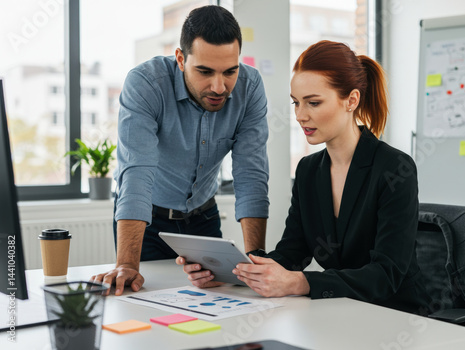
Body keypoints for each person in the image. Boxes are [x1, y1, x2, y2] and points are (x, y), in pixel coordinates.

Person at [179, 40, 431, 315]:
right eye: (296, 103)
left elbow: (386, 274)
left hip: (396, 315)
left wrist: (300, 282)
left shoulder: (394, 167)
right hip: (343, 311)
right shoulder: (309, 170)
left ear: (352, 100)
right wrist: (233, 273)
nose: (300, 115)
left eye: (313, 103)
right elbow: (292, 253)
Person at [92, 5, 269, 296]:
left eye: (230, 72)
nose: (219, 86)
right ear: (180, 59)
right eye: (205, 71)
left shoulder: (250, 88)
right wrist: (125, 264)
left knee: (222, 299)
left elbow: (251, 174)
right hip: (147, 219)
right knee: (141, 300)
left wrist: (258, 260)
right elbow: (137, 174)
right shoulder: (146, 84)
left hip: (203, 217)